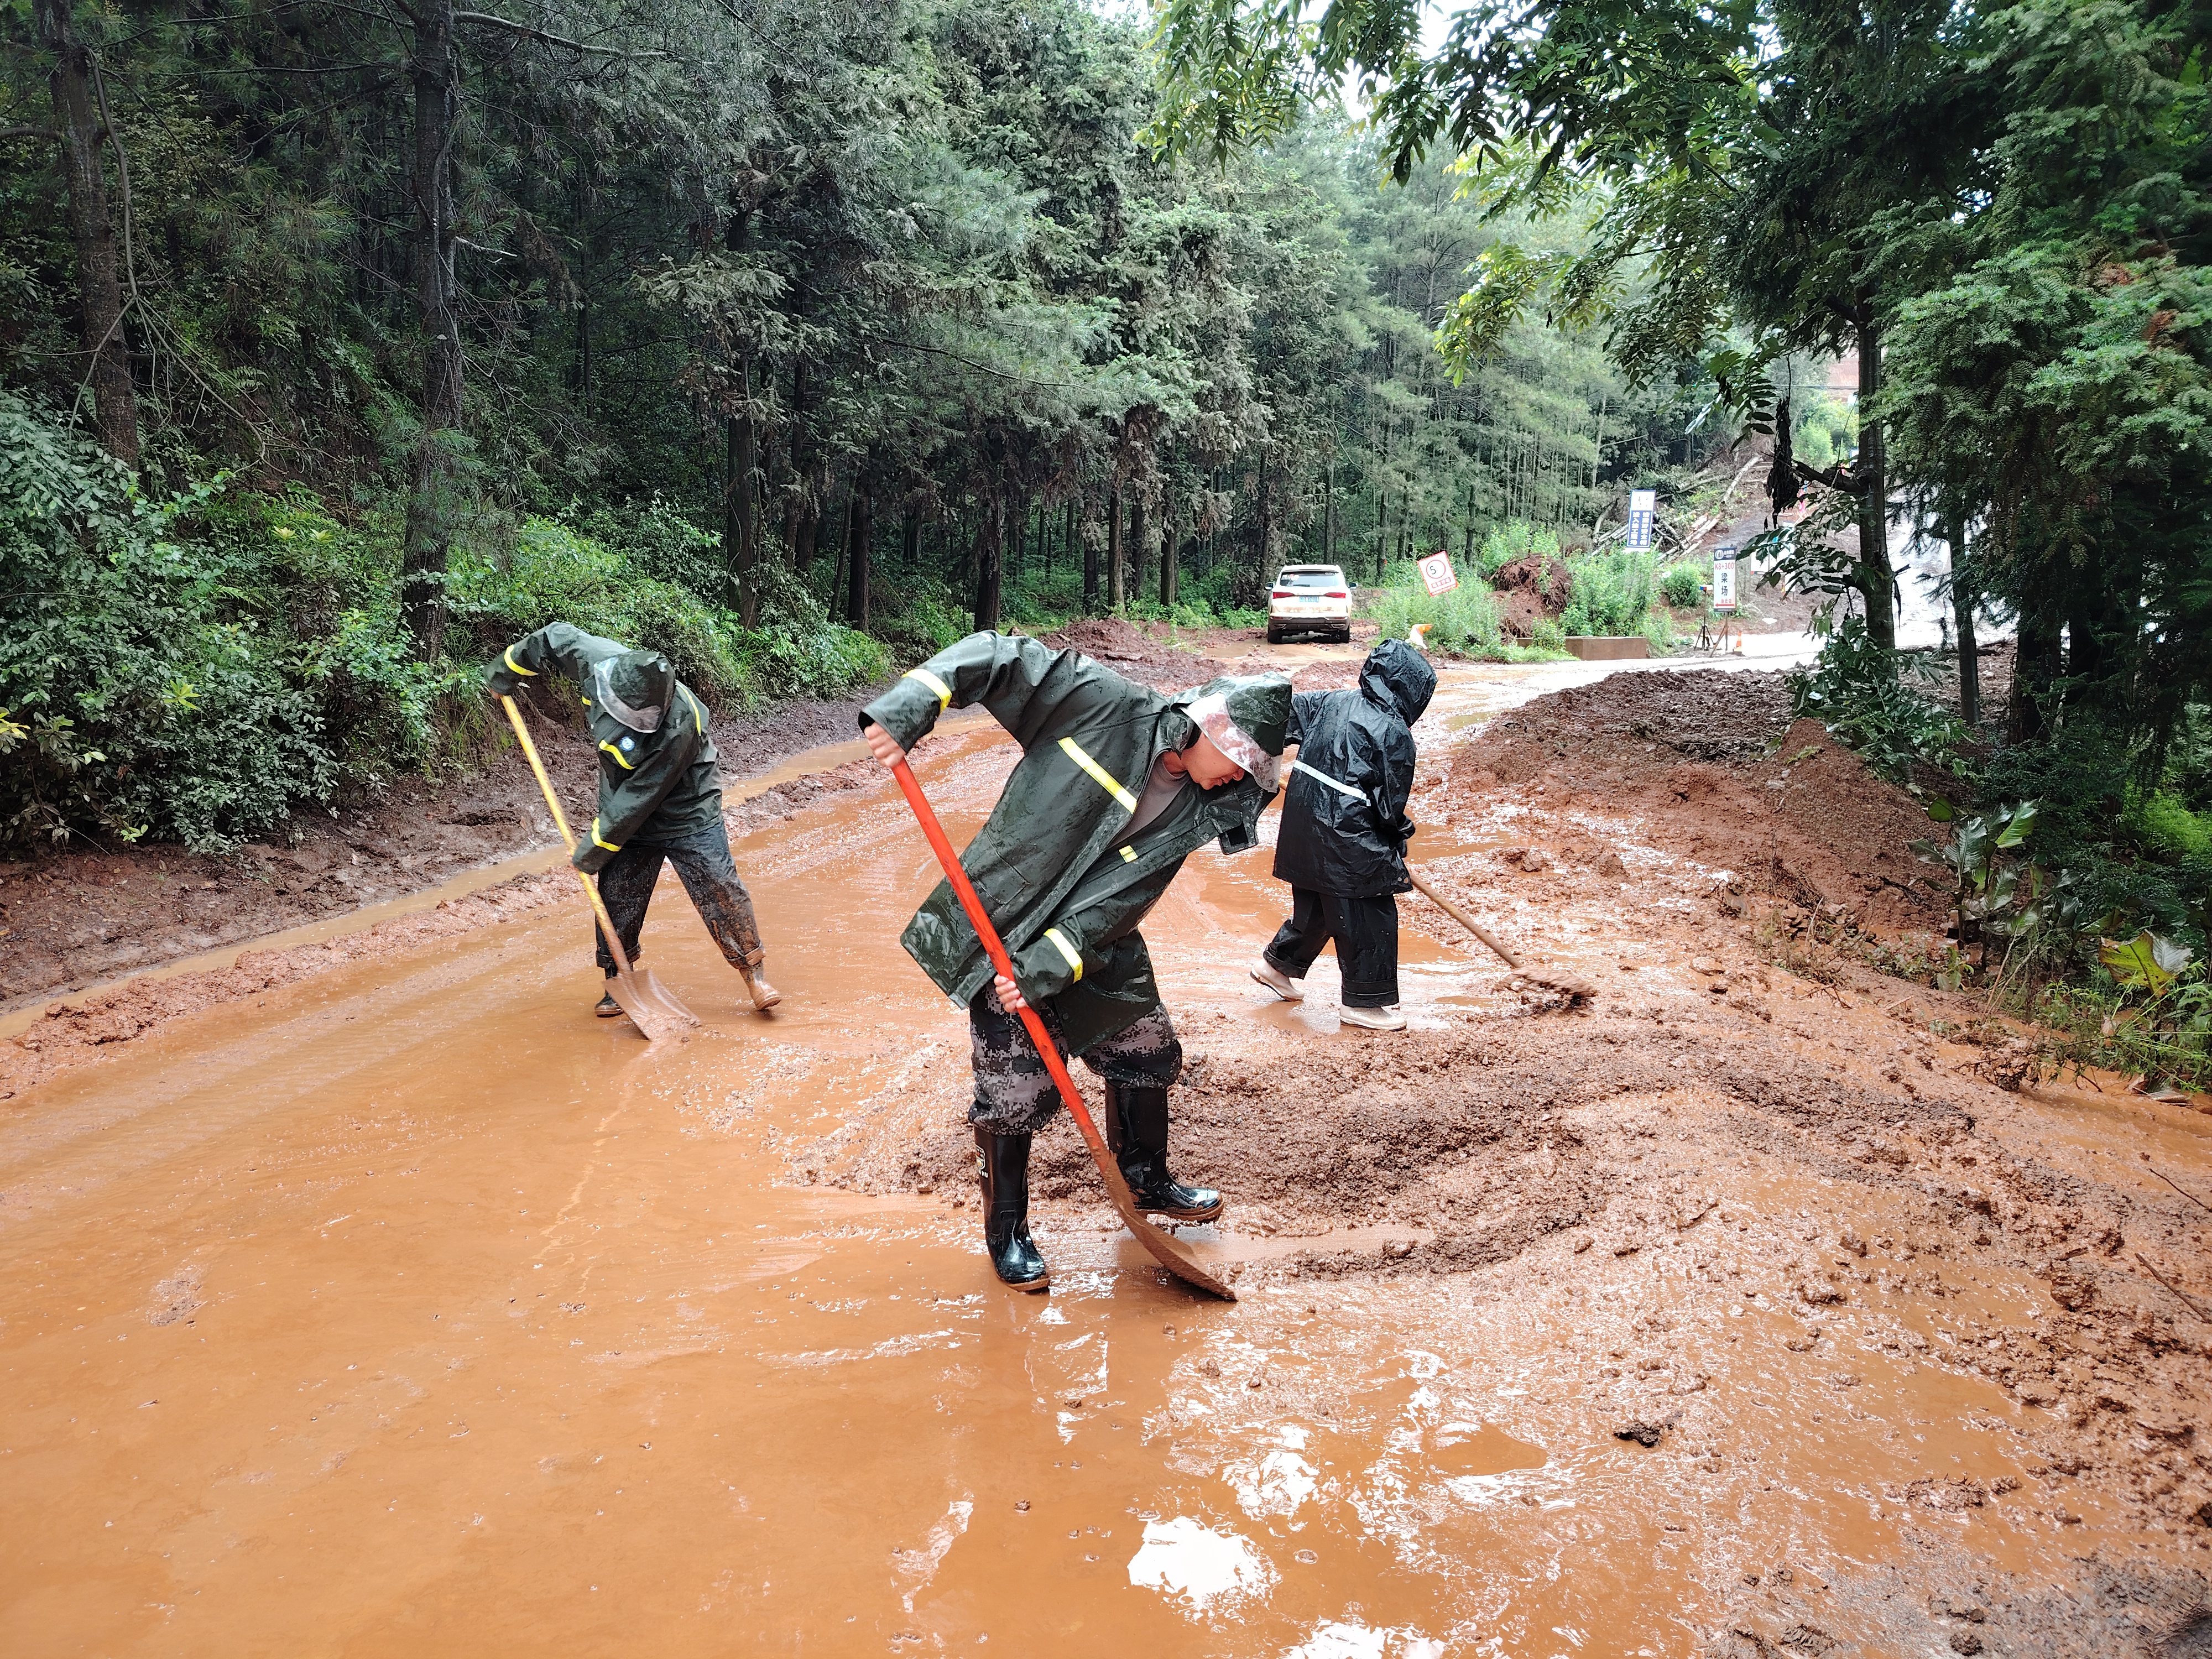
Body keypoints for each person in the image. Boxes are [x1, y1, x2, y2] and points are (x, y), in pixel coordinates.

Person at [859, 632, 1290, 1292]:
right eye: (1239, 759)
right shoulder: (1102, 704)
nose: (1240, 777)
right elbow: (997, 656)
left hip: (1095, 945)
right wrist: (906, 710)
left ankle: (1145, 1180)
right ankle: (1007, 1230)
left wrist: (1048, 968)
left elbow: (1129, 897)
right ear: (1205, 727)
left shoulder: (1206, 804)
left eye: (1252, 770)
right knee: (1015, 1093)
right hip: (1003, 923)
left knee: (1148, 1050)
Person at [487, 624, 781, 1016]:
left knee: (719, 885)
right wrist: (505, 671)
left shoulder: (682, 725)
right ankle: (617, 981)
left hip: (687, 806)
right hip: (624, 793)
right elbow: (552, 637)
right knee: (618, 893)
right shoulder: (595, 659)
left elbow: (641, 797)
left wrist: (591, 849)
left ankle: (753, 974)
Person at [1251, 635, 1437, 1031]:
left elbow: (1281, 717)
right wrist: (1399, 837)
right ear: (1412, 692)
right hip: (1348, 842)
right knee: (1370, 914)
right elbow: (1389, 809)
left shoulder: (1331, 701)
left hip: (1303, 831)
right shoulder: (1395, 733)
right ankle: (1364, 1003)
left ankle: (1277, 966)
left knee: (1319, 907)